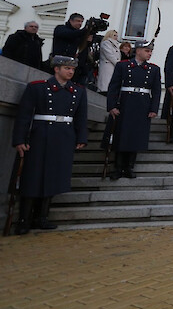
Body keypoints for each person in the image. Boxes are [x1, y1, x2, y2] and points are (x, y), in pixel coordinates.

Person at [11, 55, 88, 234]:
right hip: (40, 135)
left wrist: (81, 138)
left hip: (64, 137)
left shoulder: (78, 91)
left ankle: (42, 217)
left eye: (73, 69)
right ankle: (24, 219)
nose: (70, 72)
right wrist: (20, 139)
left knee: (53, 177)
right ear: (56, 69)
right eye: (67, 68)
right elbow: (24, 116)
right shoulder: (37, 87)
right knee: (32, 177)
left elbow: (81, 117)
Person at [106, 39, 161, 180]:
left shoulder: (153, 69)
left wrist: (154, 108)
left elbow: (156, 91)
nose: (150, 54)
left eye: (151, 51)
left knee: (136, 137)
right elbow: (114, 87)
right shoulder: (123, 66)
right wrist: (112, 105)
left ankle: (129, 166)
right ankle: (118, 167)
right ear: (138, 50)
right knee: (121, 135)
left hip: (142, 105)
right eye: (147, 51)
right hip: (125, 103)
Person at [52, 13, 92, 83]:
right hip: (59, 62)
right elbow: (71, 34)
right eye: (78, 21)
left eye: (81, 22)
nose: (80, 23)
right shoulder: (61, 28)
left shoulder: (80, 34)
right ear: (71, 21)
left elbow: (82, 48)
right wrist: (85, 30)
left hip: (72, 64)